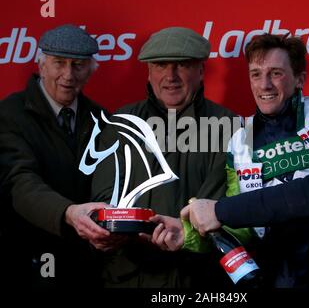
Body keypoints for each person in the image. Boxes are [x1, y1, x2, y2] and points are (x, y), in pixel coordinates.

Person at [149, 34, 309, 288]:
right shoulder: (239, 139)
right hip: (275, 278)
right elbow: (243, 227)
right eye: (256, 74)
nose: (264, 84)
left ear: (299, 79)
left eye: (276, 73)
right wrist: (189, 233)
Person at [90, 27, 237, 287]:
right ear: (148, 72)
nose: (171, 76)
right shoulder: (120, 123)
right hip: (127, 276)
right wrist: (111, 227)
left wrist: (179, 234)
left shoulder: (228, 125)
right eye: (160, 65)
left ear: (201, 71)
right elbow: (104, 198)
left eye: (182, 65)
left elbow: (222, 208)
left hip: (196, 279)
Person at [0, 24, 112, 287]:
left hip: (89, 266)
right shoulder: (8, 115)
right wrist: (68, 213)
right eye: (58, 63)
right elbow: (19, 182)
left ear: (91, 69)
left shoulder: (103, 119)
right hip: (26, 258)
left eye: (78, 65)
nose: (68, 75)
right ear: (42, 64)